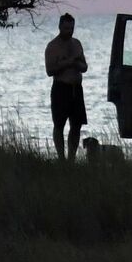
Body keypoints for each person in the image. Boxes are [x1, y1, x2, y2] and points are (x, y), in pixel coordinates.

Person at [44, 12, 88, 160]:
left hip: (76, 89)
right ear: (60, 27)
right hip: (61, 89)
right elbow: (50, 70)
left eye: (71, 28)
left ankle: (71, 159)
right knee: (59, 125)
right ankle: (61, 158)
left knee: (76, 125)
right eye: (66, 28)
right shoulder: (53, 46)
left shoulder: (77, 44)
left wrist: (76, 63)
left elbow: (84, 66)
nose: (69, 31)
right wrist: (67, 62)